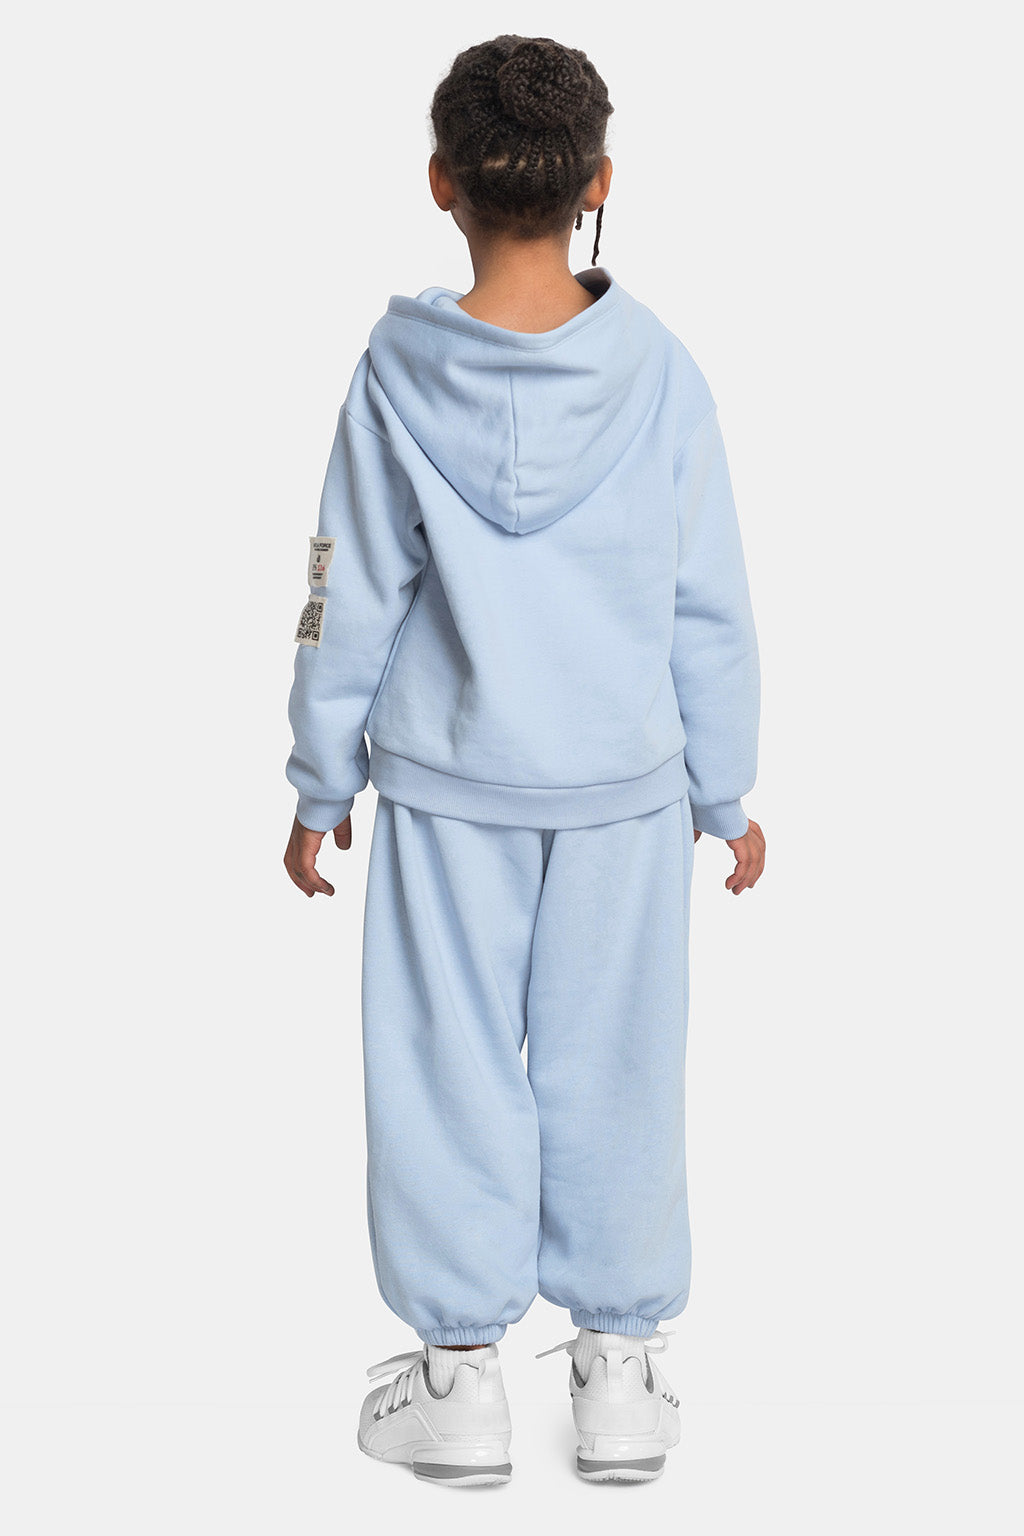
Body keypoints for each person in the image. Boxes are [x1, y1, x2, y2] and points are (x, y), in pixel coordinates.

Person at [282, 33, 765, 1488]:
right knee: (623, 1064)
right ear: (598, 182)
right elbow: (708, 599)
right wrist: (725, 788)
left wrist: (318, 779)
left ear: (441, 182)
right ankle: (620, 1376)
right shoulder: (662, 374)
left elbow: (342, 589)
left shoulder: (392, 375)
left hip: (448, 789)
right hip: (626, 790)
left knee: (444, 1064)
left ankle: (459, 1383)